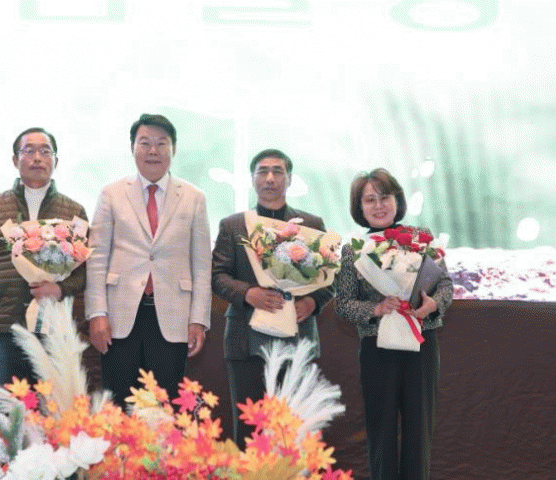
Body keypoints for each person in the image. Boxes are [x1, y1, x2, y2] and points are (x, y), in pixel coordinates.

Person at [85, 113, 211, 409]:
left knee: (165, 407)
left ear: (173, 149)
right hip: (118, 318)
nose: (153, 151)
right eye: (145, 143)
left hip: (173, 316)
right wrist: (97, 314)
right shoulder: (112, 194)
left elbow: (202, 265)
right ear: (133, 148)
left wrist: (198, 319)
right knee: (118, 405)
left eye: (161, 143)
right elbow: (97, 258)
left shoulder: (194, 197)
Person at [334, 168, 453, 480]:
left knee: (419, 430)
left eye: (384, 197)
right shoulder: (353, 249)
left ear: (397, 200)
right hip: (377, 348)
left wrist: (432, 304)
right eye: (369, 200)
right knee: (381, 430)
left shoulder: (420, 238)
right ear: (359, 208)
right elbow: (343, 304)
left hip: (421, 344)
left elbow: (445, 285)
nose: (378, 205)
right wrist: (376, 307)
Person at [211, 149, 334, 449]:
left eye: (277, 171)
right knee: (250, 430)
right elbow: (217, 275)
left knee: (294, 429)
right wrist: (247, 293)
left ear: (289, 179)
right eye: (262, 171)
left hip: (297, 337)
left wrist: (313, 302)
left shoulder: (311, 224)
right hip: (245, 341)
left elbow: (331, 276)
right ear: (252, 179)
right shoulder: (234, 225)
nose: (269, 178)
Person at [0, 127, 88, 388]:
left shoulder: (74, 212)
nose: (37, 158)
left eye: (45, 151)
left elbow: (86, 272)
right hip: (0, 328)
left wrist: (60, 288)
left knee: (53, 408)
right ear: (15, 160)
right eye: (29, 151)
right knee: (6, 408)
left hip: (53, 329)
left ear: (56, 161)